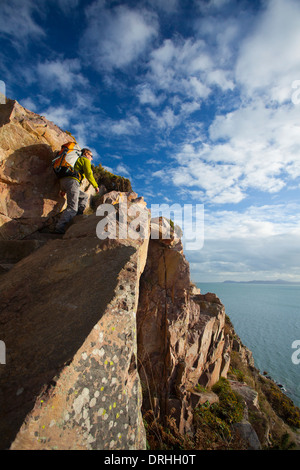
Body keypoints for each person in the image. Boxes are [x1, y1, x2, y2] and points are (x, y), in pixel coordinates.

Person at [55, 148, 99, 234]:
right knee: (72, 207)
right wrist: (95, 186)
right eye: (91, 156)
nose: (92, 158)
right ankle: (59, 228)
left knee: (84, 196)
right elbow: (89, 174)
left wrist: (63, 189)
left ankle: (79, 214)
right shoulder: (84, 159)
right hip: (72, 182)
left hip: (63, 181)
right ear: (86, 154)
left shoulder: (75, 160)